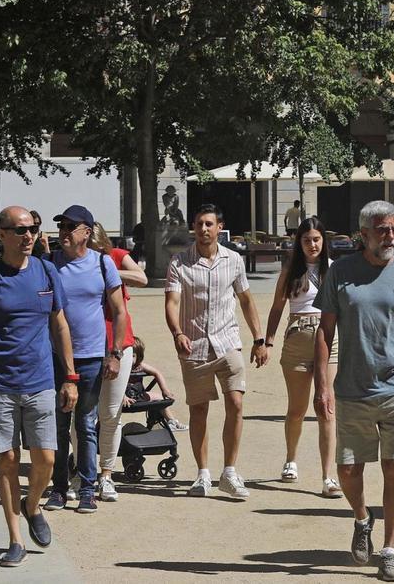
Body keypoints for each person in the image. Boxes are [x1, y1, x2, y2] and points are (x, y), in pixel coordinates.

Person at [313, 200, 394, 582]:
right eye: (383, 230)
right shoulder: (342, 272)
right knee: (348, 468)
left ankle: (389, 550)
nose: (391, 236)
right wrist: (322, 384)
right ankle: (362, 518)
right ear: (363, 234)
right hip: (352, 386)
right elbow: (324, 330)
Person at [165, 203, 269, 499]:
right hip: (194, 345)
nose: (203, 229)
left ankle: (230, 472)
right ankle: (202, 473)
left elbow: (247, 301)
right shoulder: (179, 263)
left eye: (209, 224)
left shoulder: (234, 260)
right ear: (193, 228)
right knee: (199, 409)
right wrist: (178, 332)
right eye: (199, 224)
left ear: (219, 228)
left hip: (228, 342)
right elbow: (172, 302)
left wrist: (258, 339)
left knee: (236, 402)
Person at [0, 206, 77, 567]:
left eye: (32, 229)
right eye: (19, 230)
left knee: (46, 459)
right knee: (8, 461)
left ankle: (32, 505)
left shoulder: (46, 271)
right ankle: (15, 539)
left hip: (41, 380)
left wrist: (71, 376)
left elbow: (59, 323)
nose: (28, 236)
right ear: (2, 234)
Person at [42, 205, 127, 515]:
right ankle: (60, 488)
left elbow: (119, 312)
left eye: (70, 226)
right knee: (58, 424)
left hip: (92, 356)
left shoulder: (103, 263)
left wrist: (115, 354)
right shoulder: (49, 263)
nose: (63, 231)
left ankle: (88, 488)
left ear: (87, 233)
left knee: (86, 424)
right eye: (61, 225)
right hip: (55, 358)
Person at [264, 216, 342, 498]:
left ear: (324, 241)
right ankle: (291, 460)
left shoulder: (334, 270)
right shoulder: (290, 270)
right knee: (297, 409)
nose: (312, 245)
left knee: (326, 407)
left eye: (317, 239)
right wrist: (268, 341)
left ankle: (328, 475)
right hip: (298, 335)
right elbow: (276, 307)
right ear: (299, 242)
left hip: (329, 339)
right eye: (307, 239)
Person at [89, 222, 148, 502]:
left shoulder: (114, 256)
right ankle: (83, 470)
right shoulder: (72, 262)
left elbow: (142, 278)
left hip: (117, 344)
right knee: (82, 416)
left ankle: (106, 474)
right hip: (86, 346)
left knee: (110, 414)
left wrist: (107, 267)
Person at [124, 338, 187, 430]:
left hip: (138, 395)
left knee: (160, 398)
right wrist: (123, 397)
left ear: (138, 356)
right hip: (122, 398)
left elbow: (157, 373)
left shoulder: (140, 366)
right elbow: (112, 385)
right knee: (107, 406)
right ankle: (99, 427)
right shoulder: (119, 368)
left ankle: (172, 422)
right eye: (126, 356)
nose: (129, 359)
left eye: (132, 356)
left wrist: (165, 390)